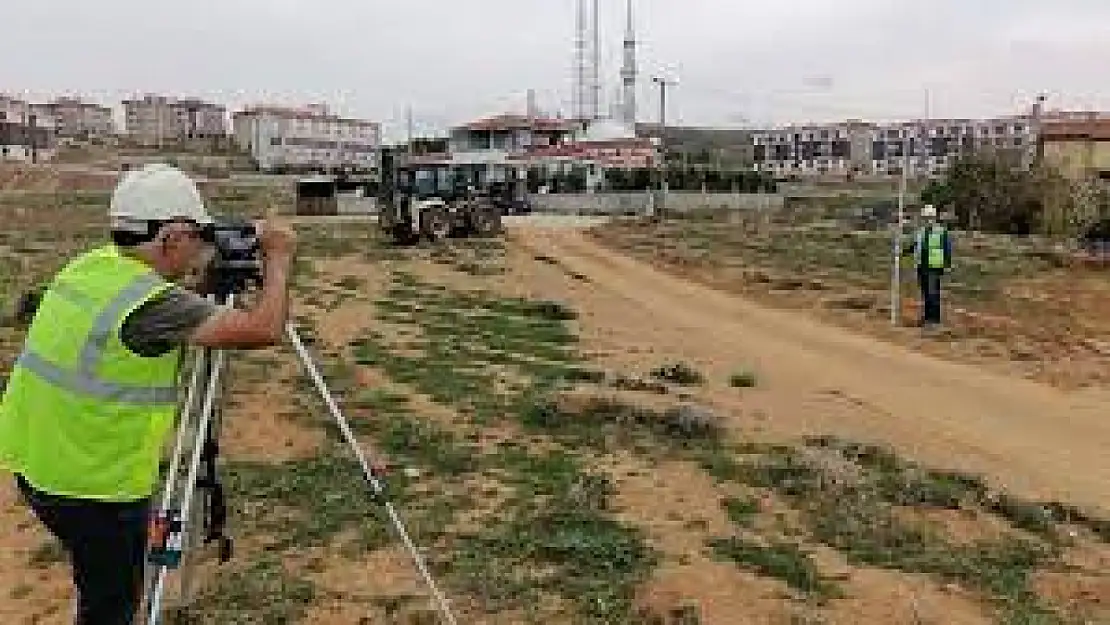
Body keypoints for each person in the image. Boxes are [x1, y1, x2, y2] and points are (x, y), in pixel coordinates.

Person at [0, 163, 296, 624]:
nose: (202, 246)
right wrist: (278, 259)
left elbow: (164, 309)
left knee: (96, 578)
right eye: (196, 236)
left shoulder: (93, 266)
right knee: (110, 604)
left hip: (36, 462)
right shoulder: (152, 304)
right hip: (93, 488)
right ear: (170, 240)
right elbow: (264, 328)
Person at [912, 203, 952, 328]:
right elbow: (915, 246)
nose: (927, 220)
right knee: (925, 293)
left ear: (934, 218)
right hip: (922, 266)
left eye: (929, 217)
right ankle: (927, 318)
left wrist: (947, 264)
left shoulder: (941, 231)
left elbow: (947, 248)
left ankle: (935, 320)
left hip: (934, 267)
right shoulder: (921, 232)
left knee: (933, 293)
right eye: (925, 218)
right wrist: (902, 252)